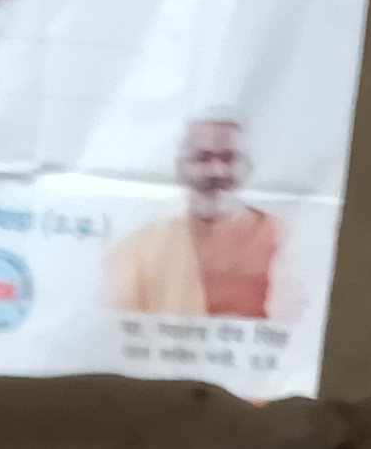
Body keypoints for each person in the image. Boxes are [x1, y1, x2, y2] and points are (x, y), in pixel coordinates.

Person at [101, 112, 281, 318]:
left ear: (248, 168)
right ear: (180, 168)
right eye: (202, 158)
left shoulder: (281, 241)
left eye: (228, 159)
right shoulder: (138, 248)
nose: (216, 172)